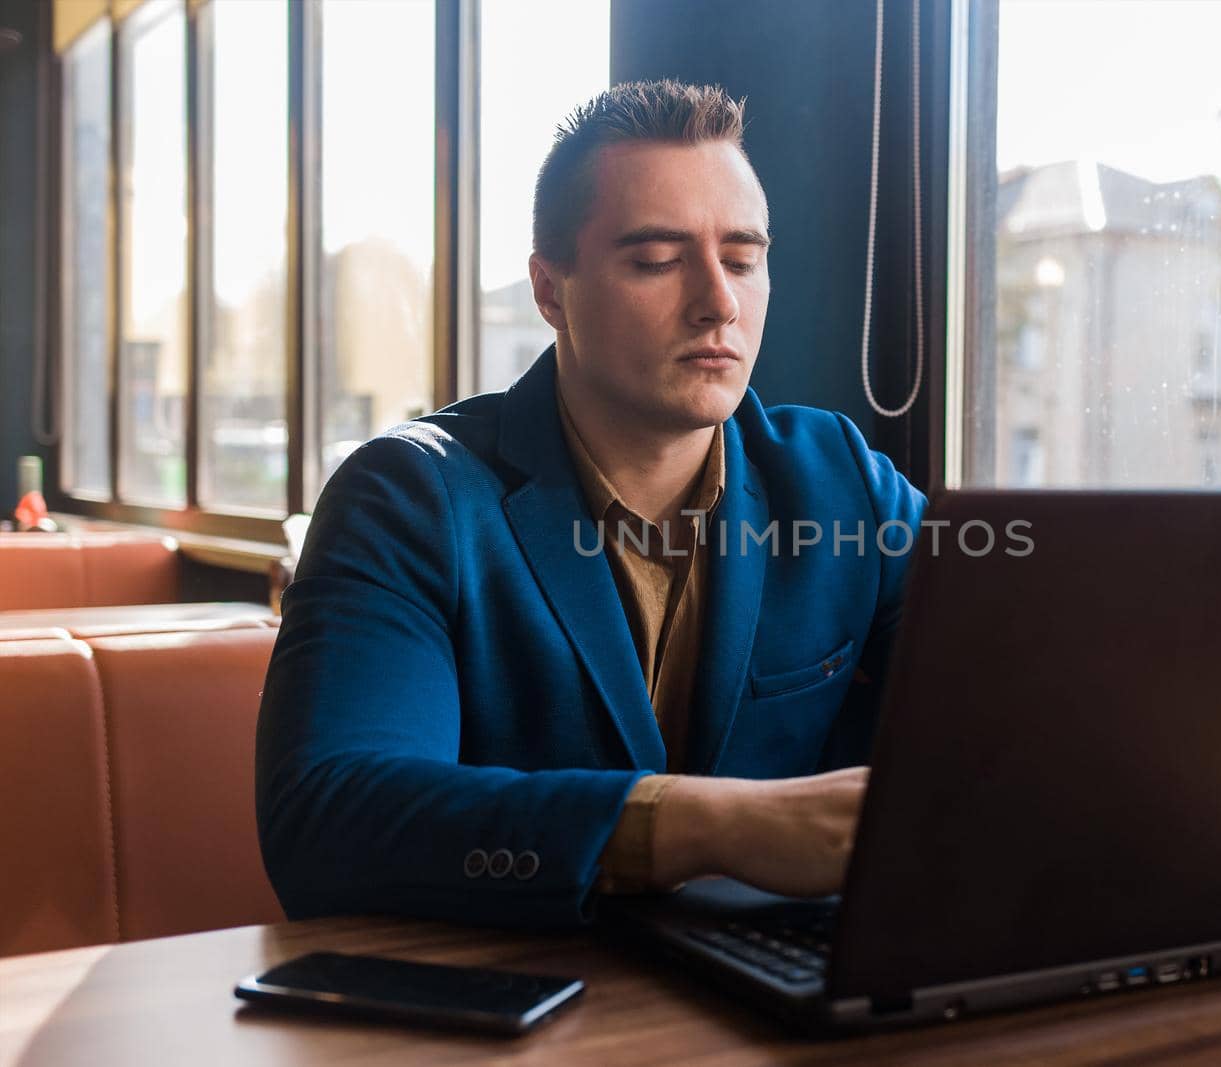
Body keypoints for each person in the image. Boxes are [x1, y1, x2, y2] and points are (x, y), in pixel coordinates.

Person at [255, 80, 925, 929]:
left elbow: (1014, 683)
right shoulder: (409, 496)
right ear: (550, 291)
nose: (719, 300)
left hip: (766, 1001)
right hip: (509, 1013)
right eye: (656, 259)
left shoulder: (840, 480)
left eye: (744, 259)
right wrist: (714, 824)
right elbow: (327, 824)